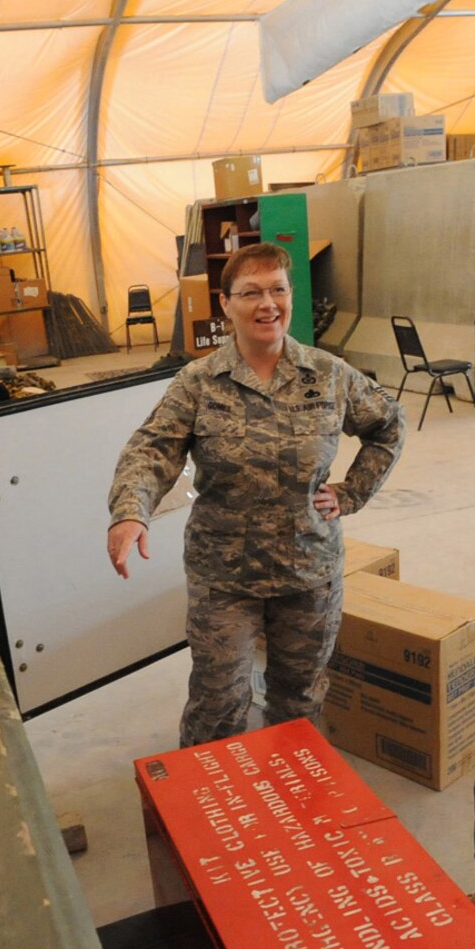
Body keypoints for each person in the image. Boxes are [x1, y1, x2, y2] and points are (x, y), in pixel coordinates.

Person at [106, 242, 405, 749]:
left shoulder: (329, 375)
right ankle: (205, 804)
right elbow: (152, 449)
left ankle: (287, 797)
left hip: (308, 569)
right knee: (219, 699)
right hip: (225, 575)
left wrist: (352, 492)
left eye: (278, 290)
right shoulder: (199, 382)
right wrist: (131, 512)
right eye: (250, 293)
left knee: (300, 699)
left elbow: (389, 426)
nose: (267, 304)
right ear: (226, 305)